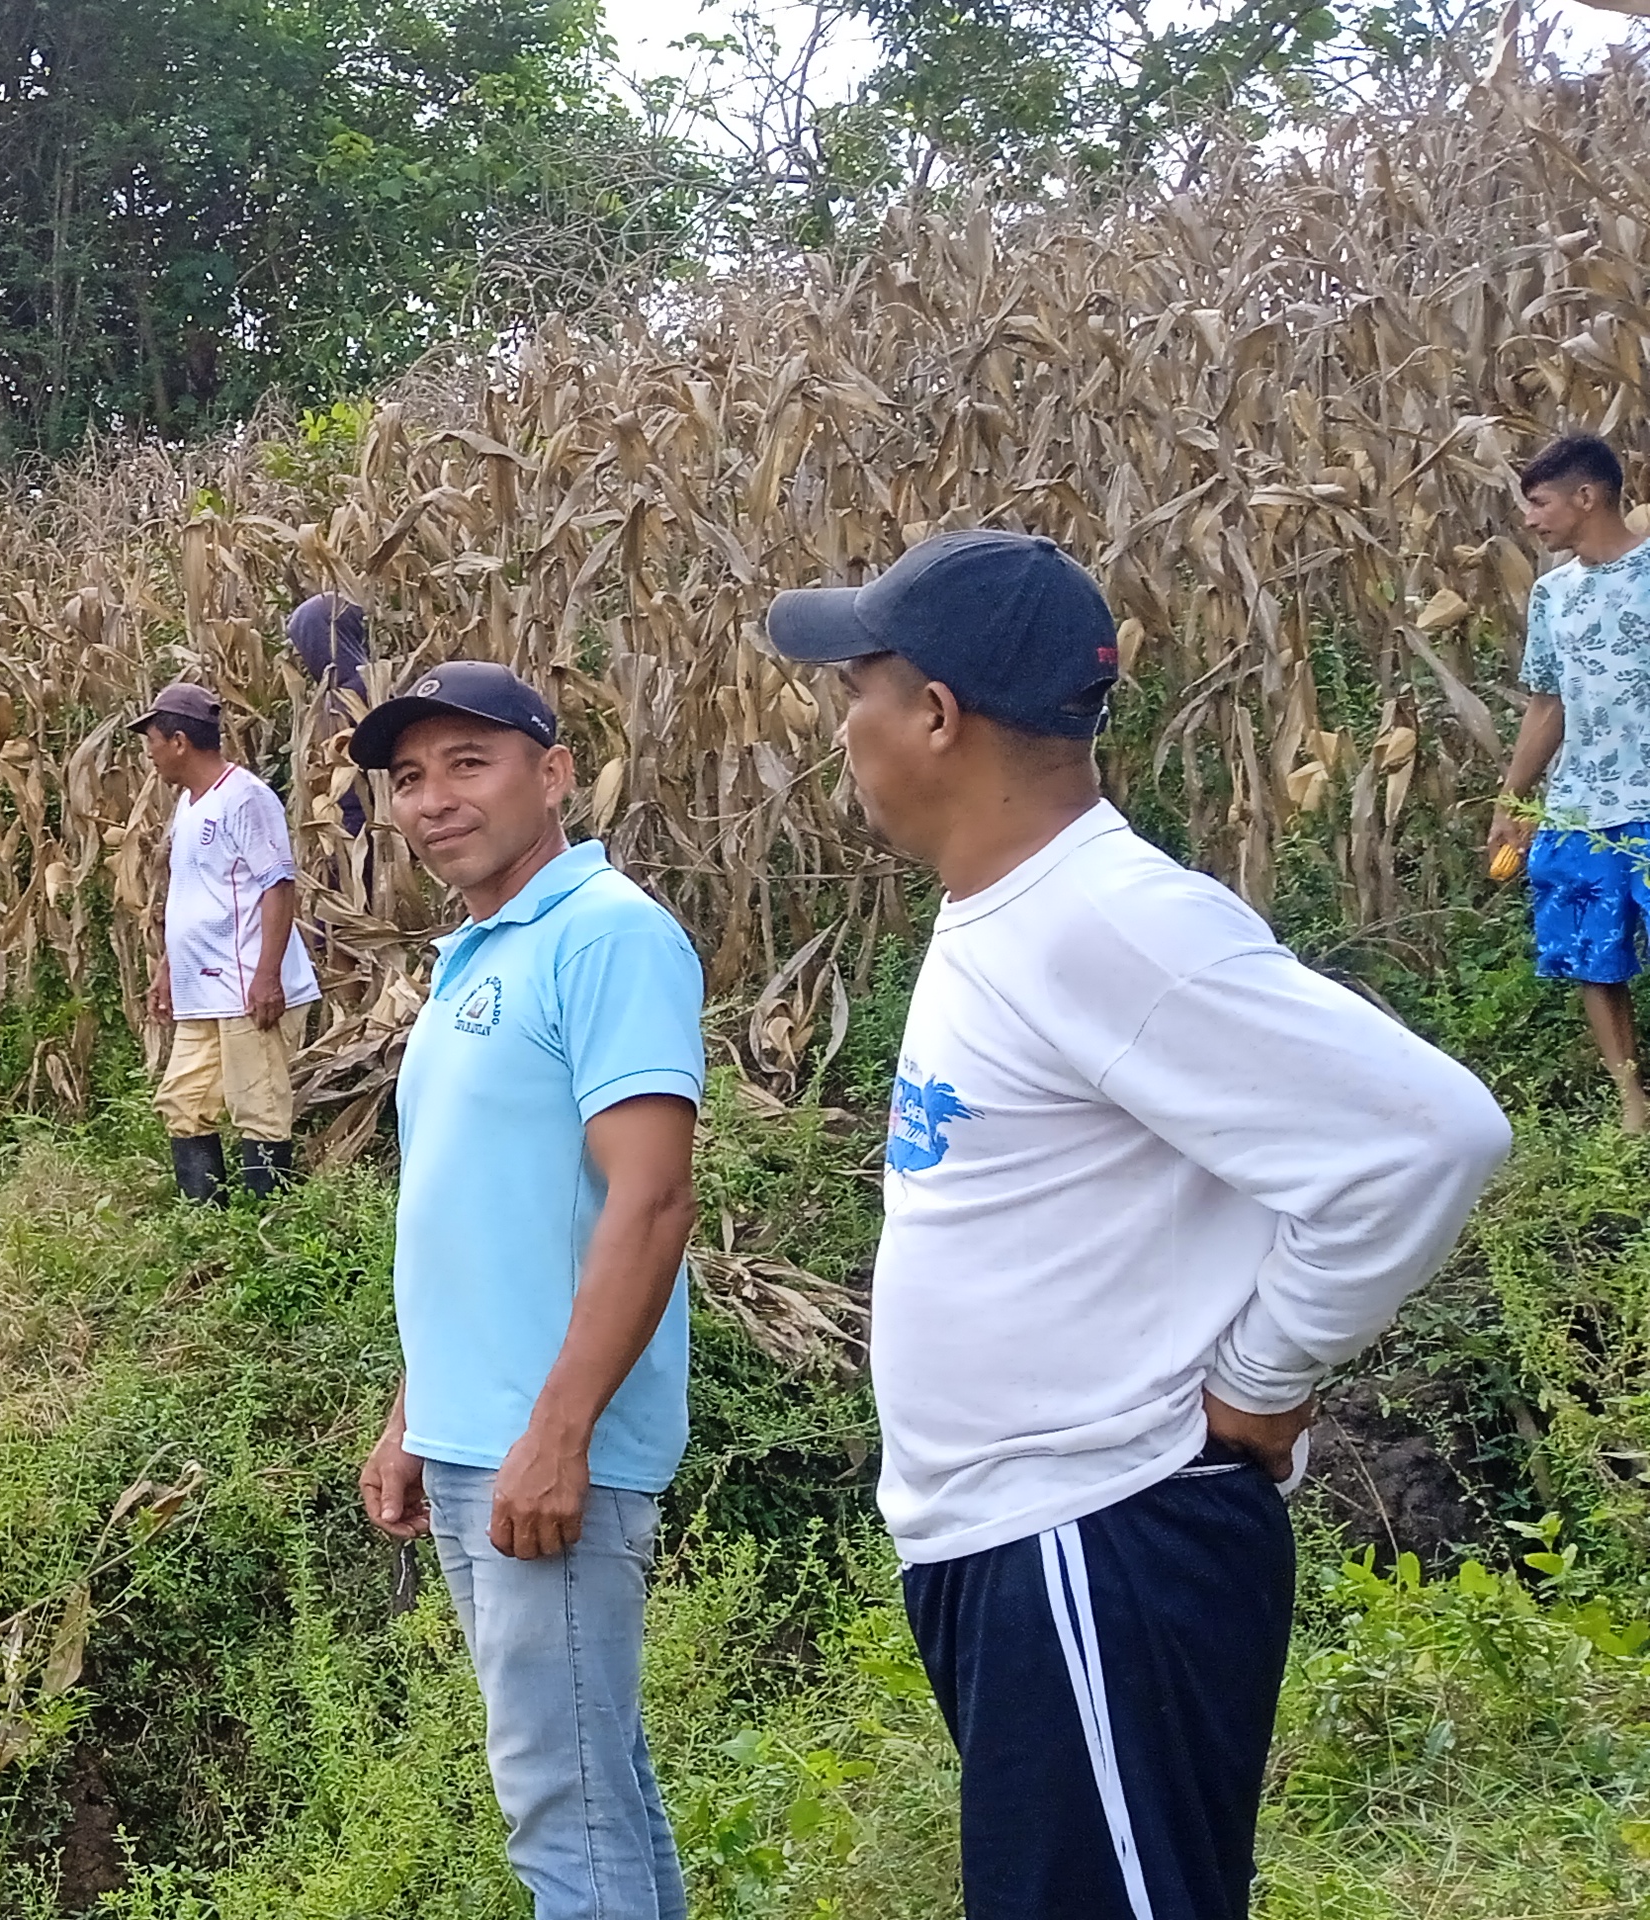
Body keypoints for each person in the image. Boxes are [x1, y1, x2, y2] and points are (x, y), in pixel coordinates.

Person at [765, 529, 1510, 1920]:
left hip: (1096, 1536)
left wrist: (1262, 1379)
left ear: (937, 715)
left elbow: (1431, 1137)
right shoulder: (1014, 910)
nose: (841, 722)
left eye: (855, 686)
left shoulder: (1103, 920)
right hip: (1027, 1546)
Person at [349, 661, 702, 1920]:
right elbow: (477, 1210)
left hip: (545, 1452)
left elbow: (651, 1199)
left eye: (467, 763)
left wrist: (557, 1434)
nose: (431, 799)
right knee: (594, 1796)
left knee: (561, 1813)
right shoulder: (476, 953)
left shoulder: (605, 935)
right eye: (407, 778)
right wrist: (412, 1411)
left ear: (552, 776)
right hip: (472, 1438)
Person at [1485, 432, 1650, 1131]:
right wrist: (1513, 800)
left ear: (1587, 496)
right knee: (1591, 956)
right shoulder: (1553, 594)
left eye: (1540, 503)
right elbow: (1547, 704)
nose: (1529, 519)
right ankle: (1633, 1104)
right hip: (1580, 807)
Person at [128, 682, 320, 1202]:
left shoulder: (246, 798)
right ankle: (205, 1223)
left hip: (245, 987)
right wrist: (168, 969)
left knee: (258, 1106)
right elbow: (194, 895)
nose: (149, 753)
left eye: (152, 741)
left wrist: (267, 977)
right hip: (203, 991)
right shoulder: (189, 805)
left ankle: (270, 1227)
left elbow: (278, 884)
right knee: (184, 1102)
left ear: (179, 742)